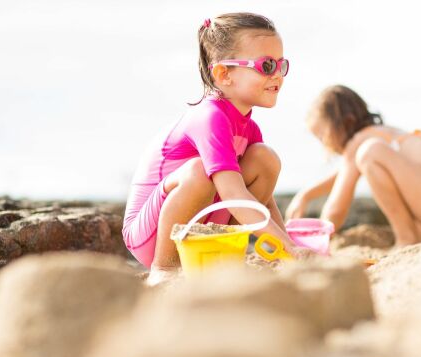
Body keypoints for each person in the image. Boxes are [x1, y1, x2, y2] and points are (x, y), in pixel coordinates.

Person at [123, 13, 304, 283]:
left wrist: (289, 249)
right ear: (223, 74)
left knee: (265, 159)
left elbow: (262, 200)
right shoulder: (210, 117)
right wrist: (290, 247)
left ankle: (227, 258)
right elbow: (233, 192)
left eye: (282, 65)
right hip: (151, 235)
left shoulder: (248, 128)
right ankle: (165, 268)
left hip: (202, 228)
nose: (277, 74)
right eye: (266, 66)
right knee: (199, 171)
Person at [285, 85, 421, 247]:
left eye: (322, 136)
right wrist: (306, 195)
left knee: (370, 152)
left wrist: (316, 240)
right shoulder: (382, 133)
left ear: (345, 124)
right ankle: (411, 235)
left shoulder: (362, 142)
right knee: (369, 155)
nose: (324, 145)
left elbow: (336, 211)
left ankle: (405, 238)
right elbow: (342, 176)